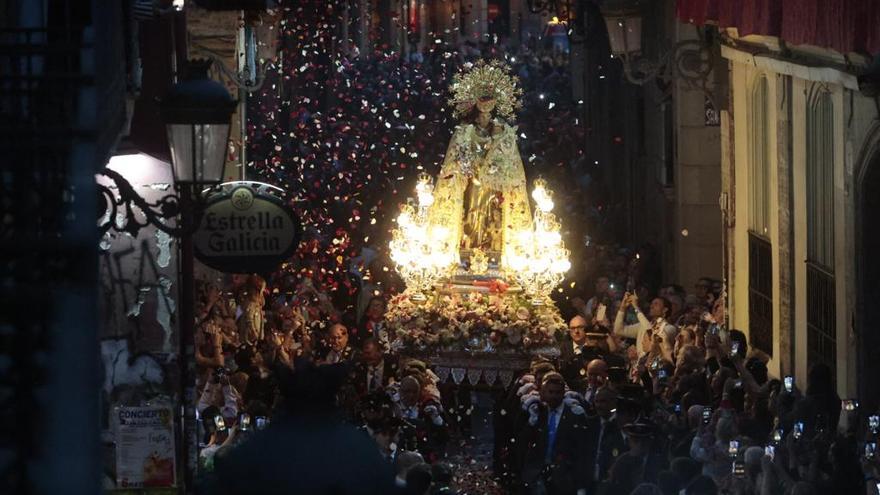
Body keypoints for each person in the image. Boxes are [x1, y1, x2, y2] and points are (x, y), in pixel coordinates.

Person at [430, 59, 532, 261]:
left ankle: (491, 246)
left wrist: (497, 139)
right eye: (482, 105)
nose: (485, 112)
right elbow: (455, 157)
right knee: (473, 210)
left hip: (493, 181)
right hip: (472, 179)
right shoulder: (465, 131)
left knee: (493, 213)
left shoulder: (501, 131)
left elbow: (509, 158)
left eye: (489, 104)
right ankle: (469, 245)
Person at [516, 372, 587, 494]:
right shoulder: (538, 411)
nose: (554, 396)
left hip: (564, 476)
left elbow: (581, 449)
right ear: (543, 392)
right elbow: (522, 440)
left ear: (563, 393)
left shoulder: (574, 415)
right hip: (537, 475)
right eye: (551, 392)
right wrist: (531, 422)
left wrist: (580, 483)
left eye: (558, 392)